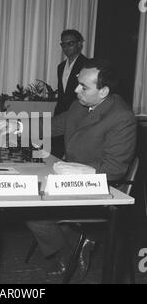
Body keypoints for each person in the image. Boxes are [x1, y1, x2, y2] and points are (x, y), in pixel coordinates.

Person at [26, 58, 137, 279]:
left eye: (83, 86)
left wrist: (78, 170)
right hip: (70, 181)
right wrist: (19, 126)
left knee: (30, 210)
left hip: (101, 190)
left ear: (103, 91)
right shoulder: (80, 104)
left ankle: (69, 254)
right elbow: (54, 125)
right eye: (77, 82)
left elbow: (114, 169)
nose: (76, 89)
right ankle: (77, 240)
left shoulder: (122, 118)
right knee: (28, 201)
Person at [52, 29, 88, 158]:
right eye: (63, 44)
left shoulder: (88, 65)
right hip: (61, 113)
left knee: (74, 153)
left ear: (79, 44)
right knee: (55, 152)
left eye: (70, 43)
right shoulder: (61, 67)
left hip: (79, 113)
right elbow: (62, 93)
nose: (66, 47)